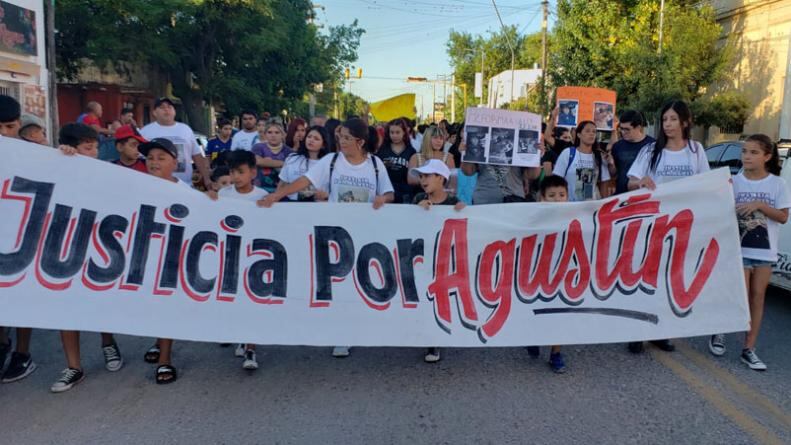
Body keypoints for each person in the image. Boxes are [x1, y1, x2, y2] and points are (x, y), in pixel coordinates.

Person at [259, 118, 394, 358]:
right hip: (335, 233)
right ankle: (340, 333)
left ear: (360, 141)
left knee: (359, 282)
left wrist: (383, 199)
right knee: (338, 283)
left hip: (364, 233)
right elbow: (305, 181)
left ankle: (356, 328)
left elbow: (389, 192)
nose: (341, 142)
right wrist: (277, 196)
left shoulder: (375, 164)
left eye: (347, 138)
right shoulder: (331, 161)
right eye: (340, 136)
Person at [626, 100, 709, 354]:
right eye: (665, 120)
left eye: (673, 119)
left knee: (670, 280)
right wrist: (641, 182)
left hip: (684, 226)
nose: (668, 124)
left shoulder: (696, 151)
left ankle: (660, 332)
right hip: (655, 224)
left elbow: (707, 184)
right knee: (647, 278)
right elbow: (630, 183)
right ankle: (637, 332)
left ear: (685, 122)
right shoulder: (651, 151)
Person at [51, 124, 124, 392]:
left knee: (99, 299)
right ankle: (73, 366)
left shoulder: (104, 172)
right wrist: (58, 159)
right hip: (62, 247)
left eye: (95, 147)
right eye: (87, 147)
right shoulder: (54, 166)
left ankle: (108, 342)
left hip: (97, 245)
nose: (93, 153)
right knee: (65, 307)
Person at [708, 135, 789, 371]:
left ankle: (749, 349)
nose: (747, 156)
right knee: (739, 295)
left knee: (757, 297)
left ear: (767, 156)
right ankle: (720, 331)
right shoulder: (733, 182)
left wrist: (760, 206)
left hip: (765, 251)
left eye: (754, 152)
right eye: (744, 152)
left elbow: (783, 217)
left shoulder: (777, 184)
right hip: (738, 248)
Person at [206, 151, 270, 370]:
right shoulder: (224, 194)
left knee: (252, 300)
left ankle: (251, 347)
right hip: (230, 254)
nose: (237, 176)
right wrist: (211, 199)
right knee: (234, 299)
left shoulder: (262, 195)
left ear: (253, 172)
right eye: (233, 172)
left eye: (241, 172)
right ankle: (241, 336)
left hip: (254, 256)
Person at [138, 138, 194, 384]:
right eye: (150, 158)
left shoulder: (186, 192)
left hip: (171, 257)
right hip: (143, 254)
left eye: (161, 158)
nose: (154, 162)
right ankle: (158, 342)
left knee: (166, 305)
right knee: (150, 306)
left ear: (175, 162)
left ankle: (165, 359)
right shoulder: (134, 185)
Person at [409, 159, 465, 363]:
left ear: (441, 179)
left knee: (440, 299)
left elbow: (464, 221)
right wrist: (417, 209)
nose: (423, 180)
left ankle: (435, 341)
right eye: (421, 176)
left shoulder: (452, 202)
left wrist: (462, 209)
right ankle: (426, 336)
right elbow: (405, 222)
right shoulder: (417, 198)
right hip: (422, 258)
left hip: (444, 260)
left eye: (427, 176)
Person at [0, 95, 36, 384]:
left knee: (23, 297)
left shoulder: (32, 155)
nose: (4, 134)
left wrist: (68, 158)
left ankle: (22, 353)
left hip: (23, 239)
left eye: (9, 127)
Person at [526, 175, 571, 373]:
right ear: (542, 198)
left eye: (562, 195)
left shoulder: (575, 216)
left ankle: (556, 353)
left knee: (560, 314)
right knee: (535, 310)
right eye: (551, 195)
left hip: (563, 273)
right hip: (537, 273)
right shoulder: (533, 217)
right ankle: (533, 338)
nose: (557, 199)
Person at [140, 97, 212, 189]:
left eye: (169, 107)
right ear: (154, 112)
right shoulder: (146, 132)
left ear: (174, 111)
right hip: (154, 185)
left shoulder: (186, 129)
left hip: (184, 185)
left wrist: (206, 179)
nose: (166, 110)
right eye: (162, 107)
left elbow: (197, 156)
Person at [552, 120, 612, 202]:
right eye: (587, 131)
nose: (591, 134)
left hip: (591, 206)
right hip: (569, 205)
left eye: (594, 132)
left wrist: (604, 204)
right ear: (579, 134)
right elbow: (556, 179)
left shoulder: (599, 156)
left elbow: (604, 182)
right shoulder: (568, 153)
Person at [278, 125, 329, 201]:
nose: (311, 140)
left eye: (316, 139)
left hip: (317, 207)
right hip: (290, 205)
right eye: (309, 137)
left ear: (323, 145)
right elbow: (281, 185)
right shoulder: (292, 159)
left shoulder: (328, 164)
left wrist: (325, 196)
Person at [609, 110, 654, 195]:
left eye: (627, 129)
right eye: (621, 128)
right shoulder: (617, 146)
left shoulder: (652, 145)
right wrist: (610, 164)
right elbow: (614, 175)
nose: (623, 132)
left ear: (638, 127)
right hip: (621, 196)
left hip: (643, 196)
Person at [377, 118, 417, 203]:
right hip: (386, 194)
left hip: (405, 196)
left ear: (404, 133)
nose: (394, 135)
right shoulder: (383, 150)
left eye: (398, 132)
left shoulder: (411, 151)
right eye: (392, 132)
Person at [408, 126, 456, 193]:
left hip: (442, 196)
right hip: (420, 195)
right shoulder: (415, 157)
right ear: (427, 139)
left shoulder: (448, 157)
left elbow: (452, 180)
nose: (439, 141)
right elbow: (411, 179)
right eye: (435, 138)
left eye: (441, 138)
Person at [252, 121, 292, 193]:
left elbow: (291, 168)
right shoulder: (258, 147)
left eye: (277, 132)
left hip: (281, 192)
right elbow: (258, 161)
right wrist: (284, 164)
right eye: (269, 132)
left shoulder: (289, 151)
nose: (273, 135)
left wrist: (267, 162)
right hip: (259, 190)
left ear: (283, 135)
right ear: (265, 135)